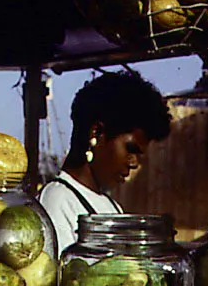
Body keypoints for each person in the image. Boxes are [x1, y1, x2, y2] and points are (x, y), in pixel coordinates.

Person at [38, 70, 171, 256]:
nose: (135, 164)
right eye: (131, 149)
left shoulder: (112, 207)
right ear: (96, 133)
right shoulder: (56, 201)